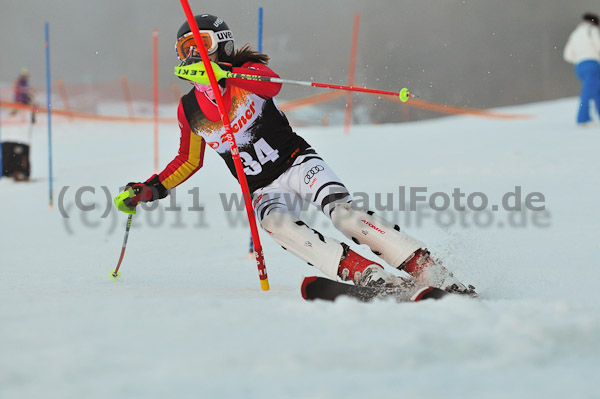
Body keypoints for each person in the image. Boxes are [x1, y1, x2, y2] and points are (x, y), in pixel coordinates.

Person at [114, 14, 474, 295]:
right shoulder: (188, 108)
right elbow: (188, 160)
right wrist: (150, 189)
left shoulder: (246, 75)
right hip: (262, 189)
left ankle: (428, 270)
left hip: (298, 163)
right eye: (185, 49)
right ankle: (365, 274)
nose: (193, 54)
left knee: (344, 214)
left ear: (220, 46)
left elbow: (272, 83)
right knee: (275, 225)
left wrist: (225, 74)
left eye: (200, 44)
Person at [563, 13, 600, 126]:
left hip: (580, 66)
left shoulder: (575, 34)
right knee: (588, 92)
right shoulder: (592, 31)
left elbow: (567, 55)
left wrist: (580, 58)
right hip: (592, 64)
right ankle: (583, 119)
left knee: (596, 91)